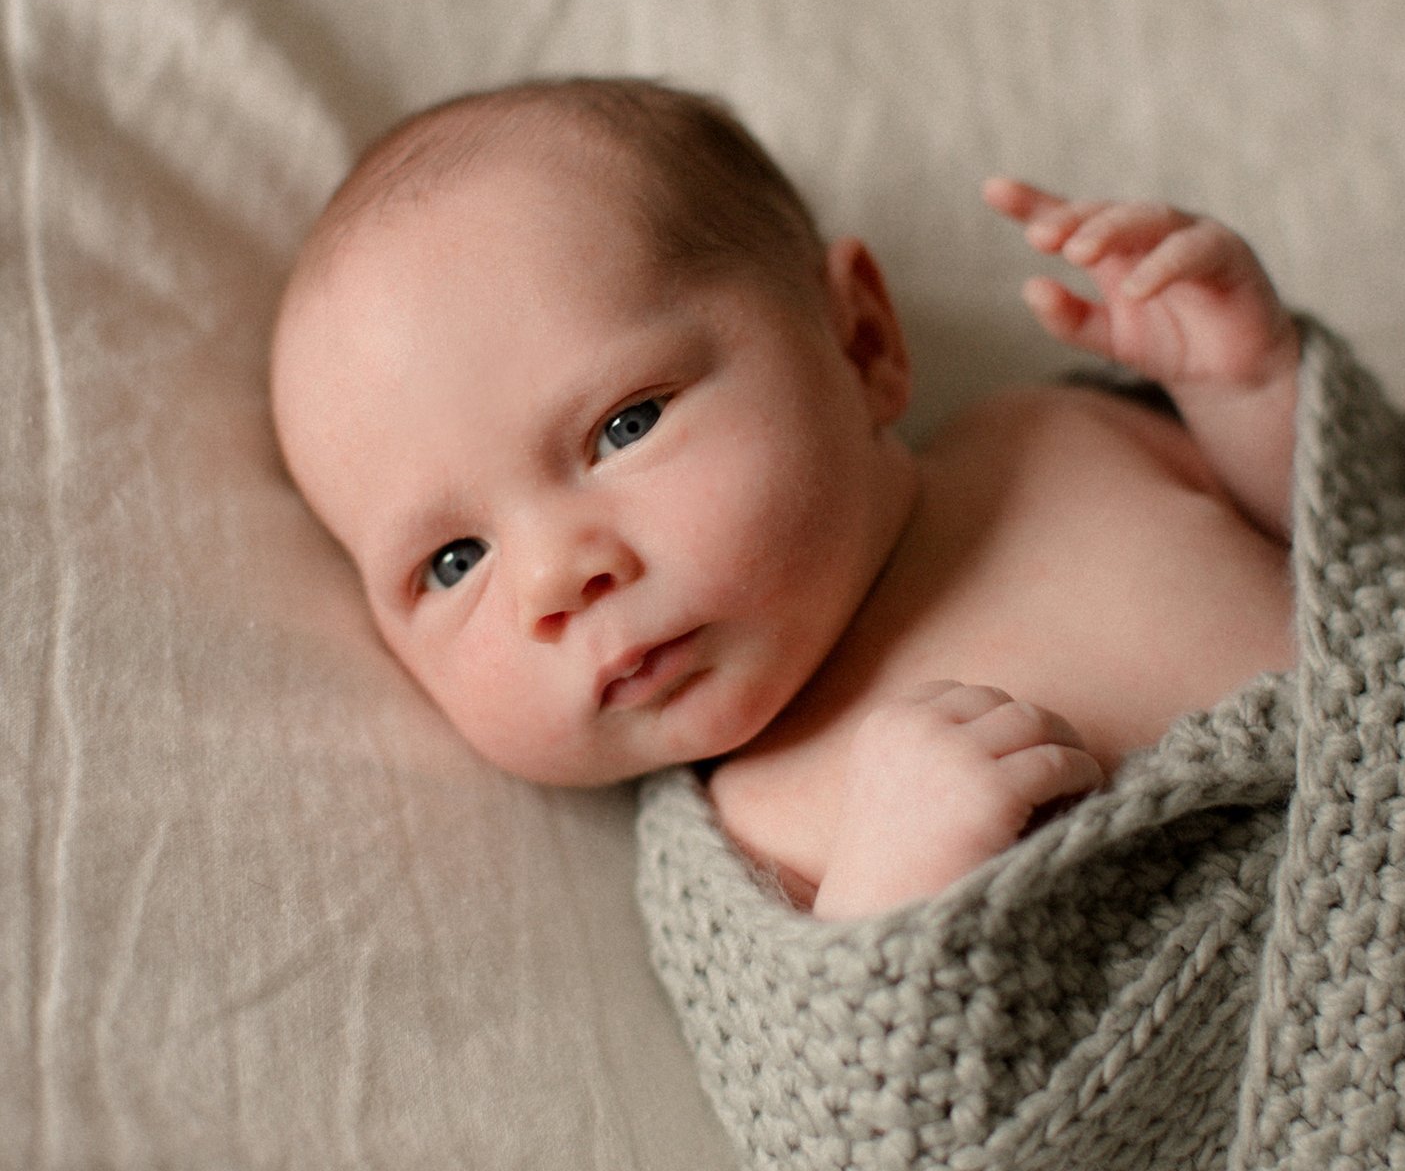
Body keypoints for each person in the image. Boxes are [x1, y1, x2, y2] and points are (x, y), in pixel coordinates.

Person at [270, 76, 1299, 920]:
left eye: (624, 426)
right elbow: (860, 1130)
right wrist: (889, 899)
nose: (556, 578)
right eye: (454, 561)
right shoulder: (738, 852)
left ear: (860, 343)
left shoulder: (1049, 437)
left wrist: (1250, 386)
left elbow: (1338, 537)